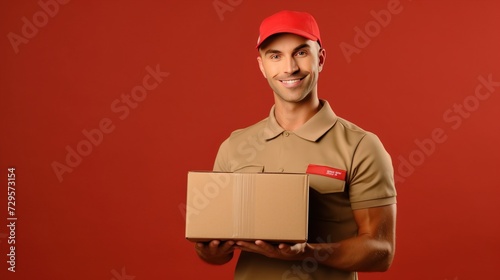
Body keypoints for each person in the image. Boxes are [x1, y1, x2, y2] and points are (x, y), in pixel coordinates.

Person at [194, 10, 397, 280]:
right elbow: (217, 254)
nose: (289, 68)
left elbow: (381, 251)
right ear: (262, 66)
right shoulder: (235, 146)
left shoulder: (361, 146)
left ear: (320, 59)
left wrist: (308, 252)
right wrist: (209, 251)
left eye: (301, 53)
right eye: (275, 56)